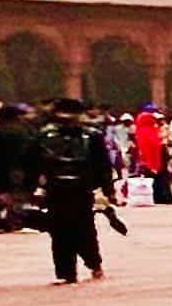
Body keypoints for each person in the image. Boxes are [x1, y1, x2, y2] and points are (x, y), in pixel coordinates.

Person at [33, 101, 119, 281]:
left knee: (82, 230)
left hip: (79, 190)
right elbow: (32, 163)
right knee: (61, 231)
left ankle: (92, 264)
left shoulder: (91, 136)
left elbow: (102, 165)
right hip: (58, 190)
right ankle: (67, 272)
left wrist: (108, 190)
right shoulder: (44, 136)